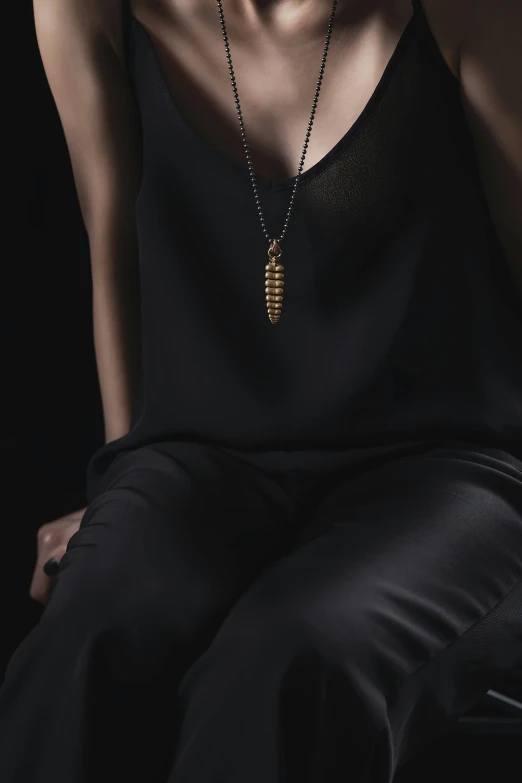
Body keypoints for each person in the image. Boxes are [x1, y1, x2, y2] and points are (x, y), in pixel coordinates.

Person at [1, 0, 522, 780]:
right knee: (85, 641)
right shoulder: (86, 10)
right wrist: (120, 477)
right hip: (197, 462)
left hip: (449, 468)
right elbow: (113, 249)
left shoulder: (461, 10)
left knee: (291, 658)